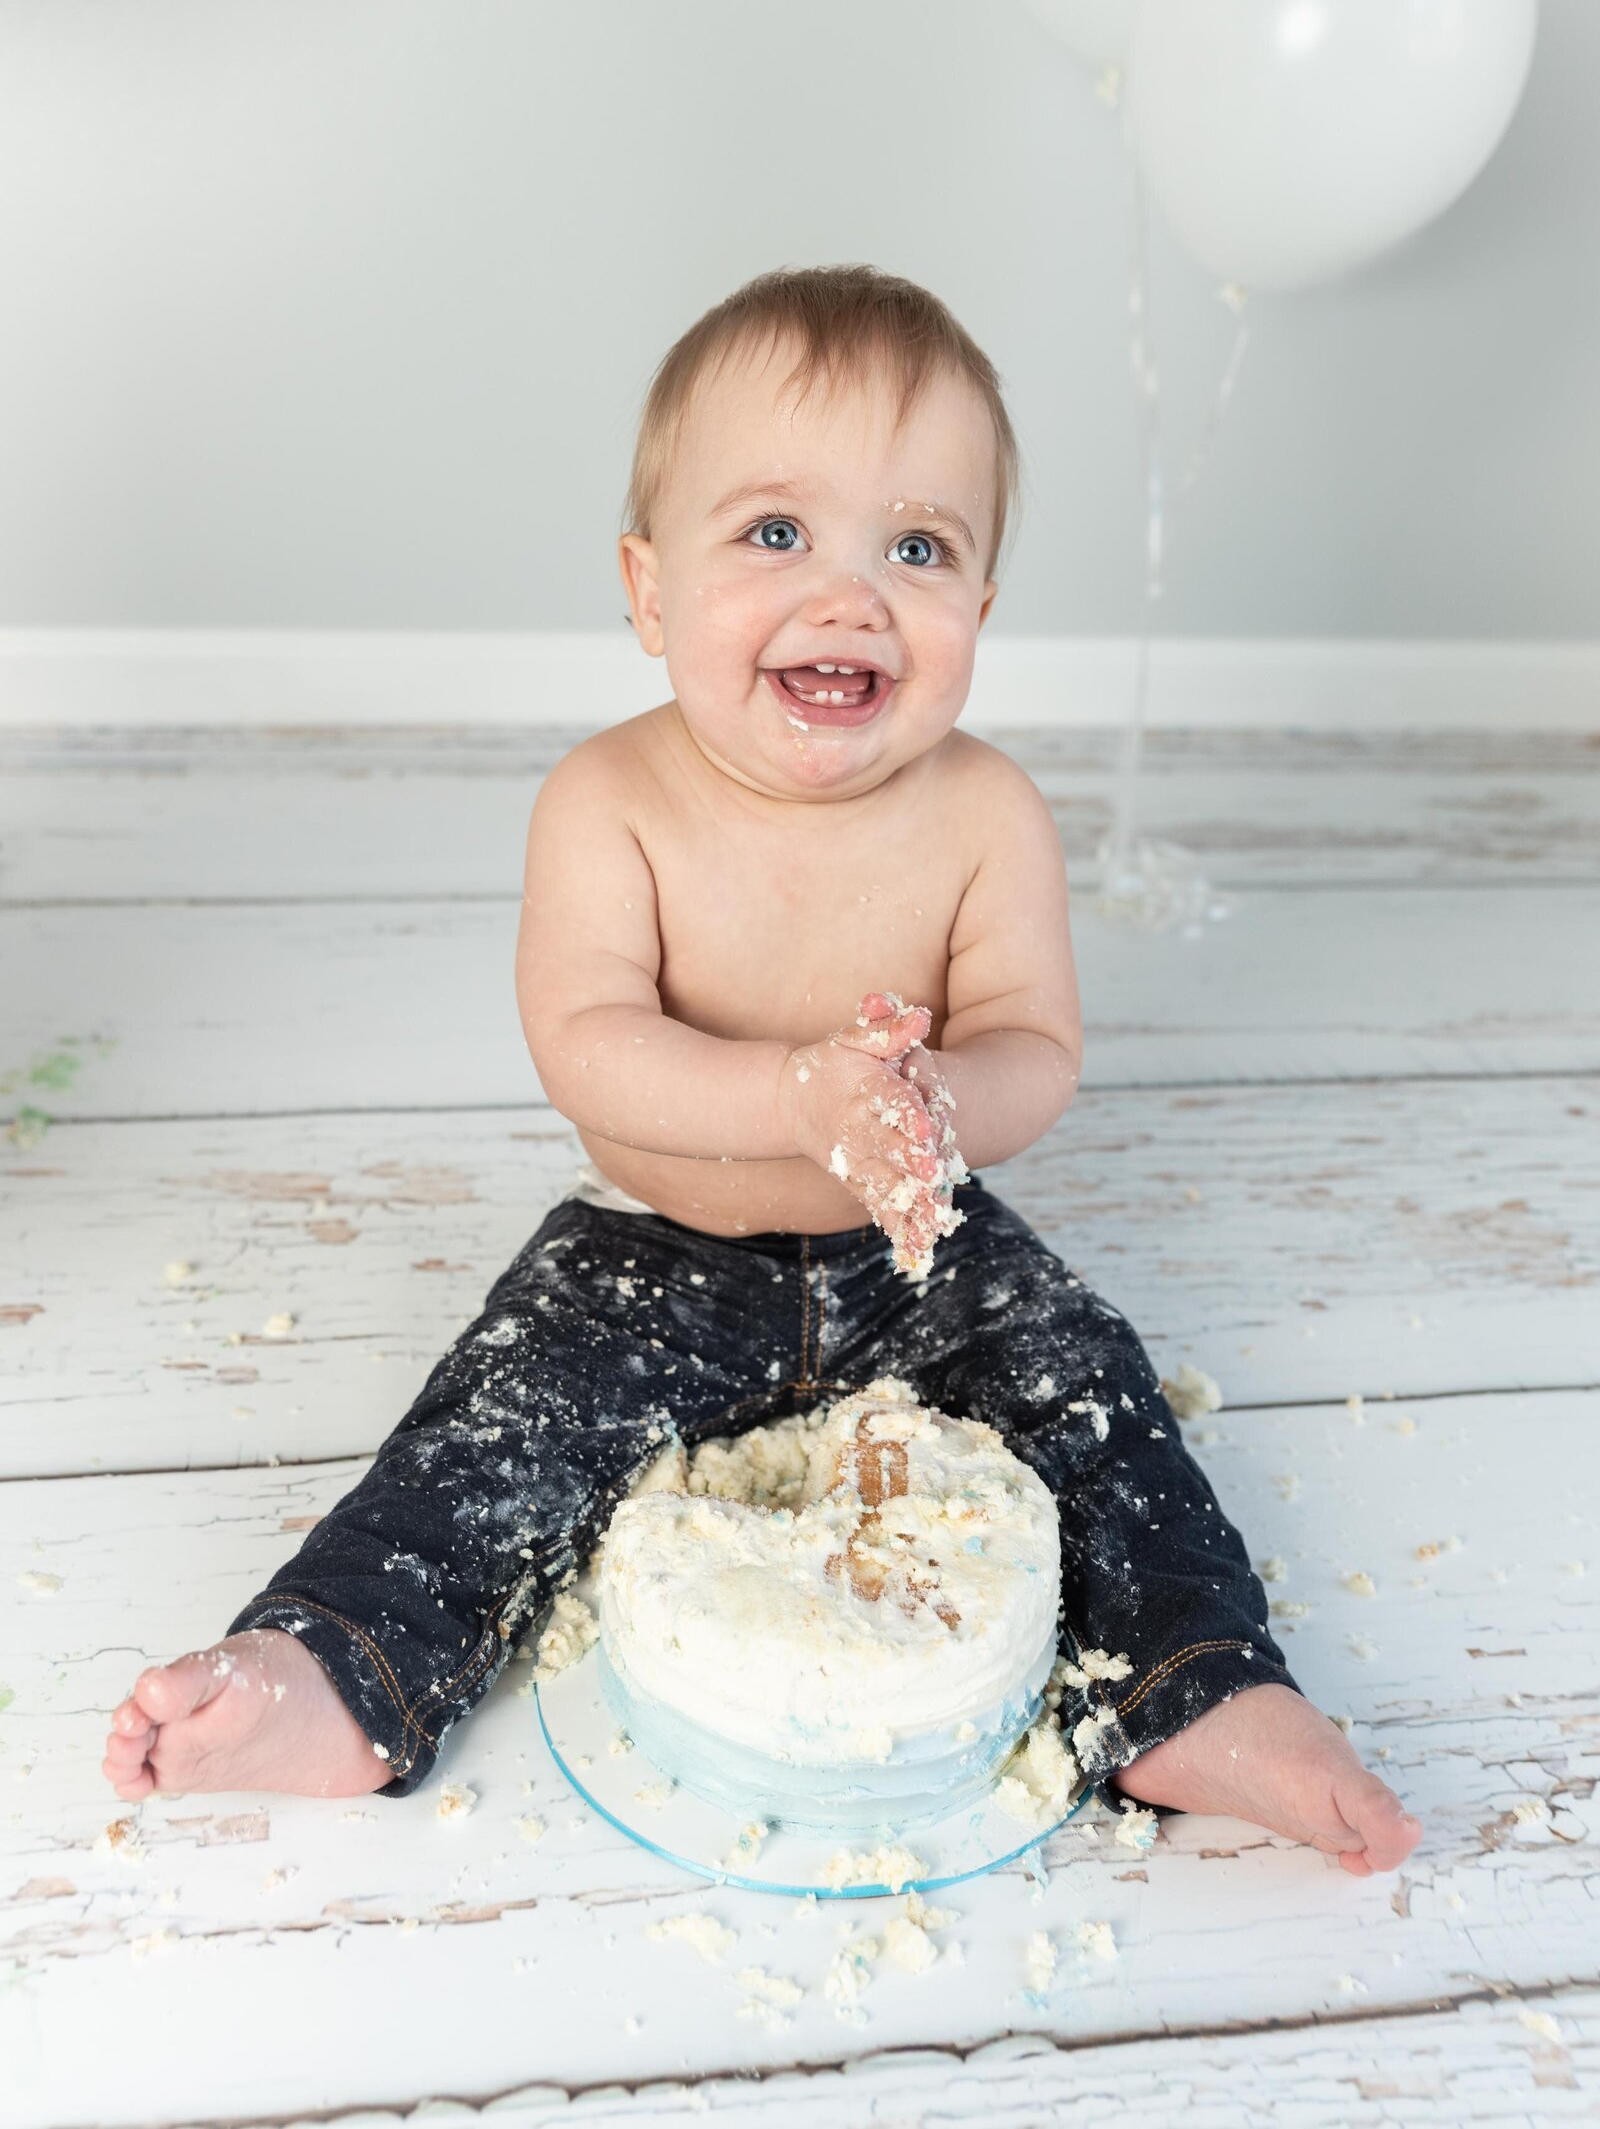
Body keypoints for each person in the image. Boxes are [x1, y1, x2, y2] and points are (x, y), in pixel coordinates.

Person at [101, 264, 1420, 1877]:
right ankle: (338, 1667)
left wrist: (937, 1114)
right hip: (656, 1254)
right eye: (777, 533)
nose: (851, 594)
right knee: (493, 1429)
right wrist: (797, 1098)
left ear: (983, 610)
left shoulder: (987, 814)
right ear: (650, 594)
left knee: (1095, 1396)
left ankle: (1198, 1693)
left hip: (924, 1256)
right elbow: (587, 1043)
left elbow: (1036, 1047)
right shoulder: (610, 803)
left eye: (918, 546)